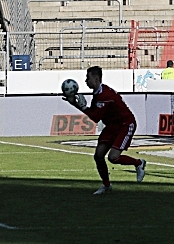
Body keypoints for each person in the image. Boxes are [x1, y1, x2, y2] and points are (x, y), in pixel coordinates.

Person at [62, 65, 146, 194]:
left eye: (88, 78)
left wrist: (78, 106)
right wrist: (77, 105)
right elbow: (94, 113)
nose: (85, 81)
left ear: (96, 79)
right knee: (98, 156)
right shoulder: (98, 93)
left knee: (113, 157)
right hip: (112, 125)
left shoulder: (104, 95)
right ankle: (106, 185)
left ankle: (138, 163)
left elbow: (95, 117)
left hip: (125, 124)